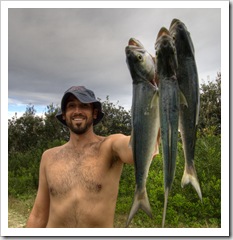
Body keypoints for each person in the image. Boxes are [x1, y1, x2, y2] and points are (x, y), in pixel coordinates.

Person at [26, 86, 134, 228]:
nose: (77, 111)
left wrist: (155, 92)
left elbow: (137, 151)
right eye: (71, 106)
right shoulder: (49, 157)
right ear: (64, 114)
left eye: (84, 106)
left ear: (94, 113)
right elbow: (39, 215)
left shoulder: (109, 147)